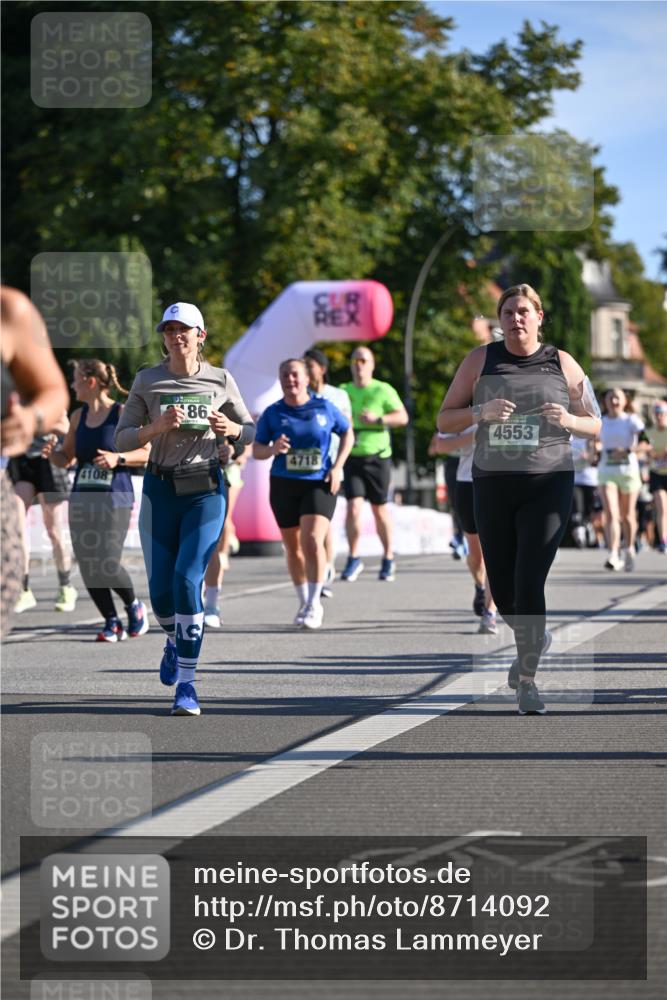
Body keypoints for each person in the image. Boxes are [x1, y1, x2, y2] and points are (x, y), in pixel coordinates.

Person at [437, 283, 601, 715]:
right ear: (500, 319)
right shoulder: (480, 360)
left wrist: (568, 418)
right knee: (505, 591)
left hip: (549, 482)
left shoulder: (561, 362)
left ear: (539, 317)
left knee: (530, 580)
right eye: (508, 312)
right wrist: (479, 413)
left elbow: (595, 423)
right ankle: (536, 636)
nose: (516, 319)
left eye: (524, 311)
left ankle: (526, 676)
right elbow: (444, 418)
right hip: (493, 483)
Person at [115, 302, 255, 716]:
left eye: (184, 329)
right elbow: (123, 438)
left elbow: (251, 431)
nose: (176, 336)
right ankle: (174, 640)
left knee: (187, 578)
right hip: (160, 489)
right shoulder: (148, 380)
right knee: (160, 594)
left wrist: (232, 430)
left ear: (201, 336)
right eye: (169, 329)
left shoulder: (221, 379)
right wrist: (155, 428)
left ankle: (188, 686)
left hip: (205, 489)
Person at [44, 359, 152, 641]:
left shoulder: (121, 413)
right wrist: (52, 453)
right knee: (87, 562)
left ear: (90, 381)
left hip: (114, 498)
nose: (72, 384)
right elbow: (65, 458)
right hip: (82, 499)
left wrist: (119, 458)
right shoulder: (78, 417)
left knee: (106, 560)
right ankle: (111, 621)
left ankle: (133, 606)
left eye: (76, 379)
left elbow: (148, 451)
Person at [253, 358, 353, 629]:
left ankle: (314, 603)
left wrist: (338, 466)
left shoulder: (324, 407)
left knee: (311, 540)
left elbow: (347, 433)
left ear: (307, 379)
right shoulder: (272, 413)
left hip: (319, 481)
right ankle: (303, 600)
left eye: (295, 374)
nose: (290, 379)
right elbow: (257, 450)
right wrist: (273, 449)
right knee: (293, 548)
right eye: (285, 374)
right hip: (284, 483)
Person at [1, 286, 69, 637]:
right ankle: (29, 587)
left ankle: (64, 584)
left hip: (39, 460)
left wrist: (30, 419)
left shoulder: (9, 308)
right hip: (20, 466)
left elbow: (54, 392)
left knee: (53, 527)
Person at [339, 346, 408, 582]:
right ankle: (354, 556)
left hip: (378, 456)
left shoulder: (382, 389)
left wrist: (378, 419)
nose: (358, 364)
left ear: (371, 364)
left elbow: (402, 417)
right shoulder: (343, 391)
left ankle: (388, 557)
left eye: (363, 360)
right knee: (353, 508)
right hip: (351, 456)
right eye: (355, 360)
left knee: (379, 509)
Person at [431, 428, 499, 633]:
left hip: (502, 482)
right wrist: (474, 435)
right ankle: (480, 587)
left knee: (496, 552)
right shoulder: (466, 406)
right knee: (477, 556)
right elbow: (440, 445)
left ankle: (490, 613)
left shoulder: (515, 401)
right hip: (468, 483)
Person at [9, 412, 78, 615]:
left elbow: (68, 430)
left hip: (49, 459)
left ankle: (66, 587)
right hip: (21, 460)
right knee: (17, 529)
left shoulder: (47, 396)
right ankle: (24, 590)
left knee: (53, 531)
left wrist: (42, 423)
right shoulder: (11, 398)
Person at [303, 347, 352, 597]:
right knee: (316, 525)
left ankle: (327, 567)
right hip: (306, 467)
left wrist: (338, 466)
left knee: (325, 521)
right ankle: (322, 568)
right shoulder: (300, 395)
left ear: (322, 368)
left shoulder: (338, 396)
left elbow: (347, 430)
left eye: (310, 366)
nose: (307, 371)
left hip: (332, 465)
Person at [203, 442, 250, 628]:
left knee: (217, 531)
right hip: (180, 475)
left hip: (224, 473)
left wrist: (234, 451)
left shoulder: (225, 413)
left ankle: (212, 606)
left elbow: (246, 435)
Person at [597, 387, 644, 571]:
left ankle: (630, 548)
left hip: (628, 472)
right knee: (611, 513)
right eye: (610, 398)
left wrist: (630, 450)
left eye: (617, 398)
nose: (614, 401)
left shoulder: (631, 420)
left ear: (625, 401)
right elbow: (594, 441)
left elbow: (645, 442)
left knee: (628, 516)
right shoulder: (601, 421)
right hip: (606, 471)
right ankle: (613, 553)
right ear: (605, 401)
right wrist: (596, 448)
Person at [646, 399, 667, 552]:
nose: (660, 416)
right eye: (657, 413)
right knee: (662, 508)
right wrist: (655, 455)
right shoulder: (649, 432)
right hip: (656, 473)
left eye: (662, 413)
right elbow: (646, 453)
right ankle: (663, 541)